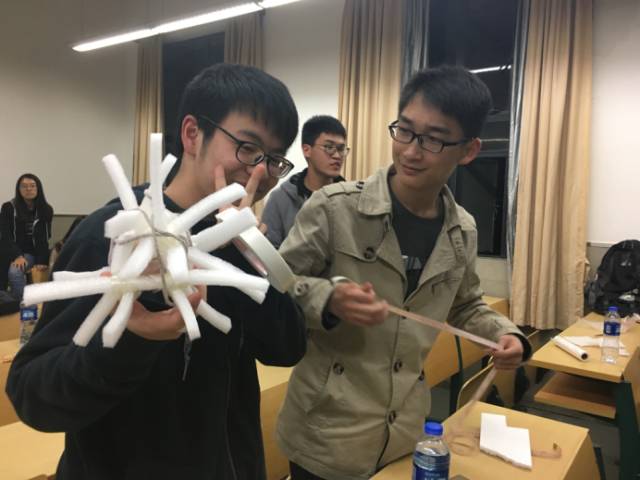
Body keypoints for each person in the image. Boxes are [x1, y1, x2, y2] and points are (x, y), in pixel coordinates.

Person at [7, 64, 306, 479]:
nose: (260, 171)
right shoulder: (114, 234)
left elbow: (286, 348)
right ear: (192, 134)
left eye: (274, 160)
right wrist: (132, 339)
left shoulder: (244, 242)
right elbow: (33, 395)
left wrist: (242, 251)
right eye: (247, 148)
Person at [276, 66, 532, 479]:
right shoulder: (334, 208)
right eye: (405, 131)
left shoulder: (462, 230)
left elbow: (466, 305)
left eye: (433, 139)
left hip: (404, 431)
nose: (411, 151)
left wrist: (507, 334)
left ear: (468, 150)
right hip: (326, 430)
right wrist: (328, 298)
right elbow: (276, 286)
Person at [262, 115, 348, 248]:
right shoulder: (280, 199)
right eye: (329, 147)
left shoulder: (351, 198)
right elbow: (270, 252)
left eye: (341, 149)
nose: (337, 156)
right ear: (307, 150)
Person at [0, 173, 53, 302]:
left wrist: (42, 259)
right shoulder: (8, 208)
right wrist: (17, 255)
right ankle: (13, 301)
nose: (28, 189)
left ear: (38, 188)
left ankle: (21, 303)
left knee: (15, 272)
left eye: (32, 186)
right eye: (24, 186)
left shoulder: (46, 209)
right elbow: (5, 235)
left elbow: (45, 237)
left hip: (31, 253)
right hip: (10, 251)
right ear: (19, 189)